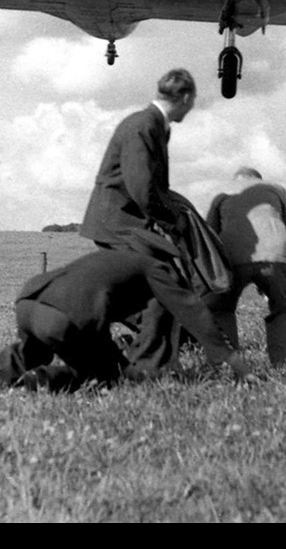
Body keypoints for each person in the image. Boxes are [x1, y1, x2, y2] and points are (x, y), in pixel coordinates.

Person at [0, 232, 251, 391]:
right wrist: (229, 357)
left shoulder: (115, 260)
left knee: (32, 351)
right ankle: (39, 382)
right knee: (109, 374)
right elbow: (192, 310)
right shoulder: (155, 268)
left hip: (30, 301)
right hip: (66, 314)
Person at [78, 68, 198, 372]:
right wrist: (172, 220)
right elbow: (141, 187)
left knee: (158, 290)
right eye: (193, 100)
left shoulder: (155, 125)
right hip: (119, 223)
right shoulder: (143, 125)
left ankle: (139, 358)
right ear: (185, 97)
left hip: (125, 222)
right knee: (162, 287)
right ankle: (148, 366)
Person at [204, 166, 286, 365]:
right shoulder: (275, 189)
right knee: (285, 307)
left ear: (237, 179)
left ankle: (225, 363)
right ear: (258, 178)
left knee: (219, 308)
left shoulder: (221, 193)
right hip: (276, 256)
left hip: (232, 258)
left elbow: (209, 234)